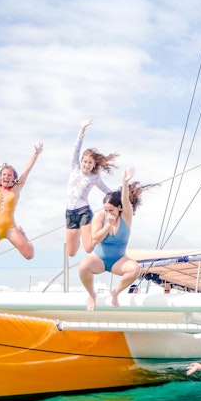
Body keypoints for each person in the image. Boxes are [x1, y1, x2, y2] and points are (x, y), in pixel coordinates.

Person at [78, 168, 145, 309]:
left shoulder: (126, 217)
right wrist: (108, 225)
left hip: (118, 260)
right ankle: (92, 295)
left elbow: (125, 200)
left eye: (111, 210)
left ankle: (115, 292)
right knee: (83, 267)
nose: (108, 213)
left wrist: (124, 182)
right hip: (99, 259)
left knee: (135, 269)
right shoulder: (100, 217)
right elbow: (94, 240)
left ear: (119, 208)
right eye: (106, 210)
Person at [0, 133, 43, 266]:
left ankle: (23, 235)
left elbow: (27, 170)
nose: (6, 177)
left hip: (10, 228)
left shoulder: (16, 189)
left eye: (9, 175)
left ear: (13, 178)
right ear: (0, 177)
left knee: (29, 255)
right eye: (4, 174)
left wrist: (36, 154)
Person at [65, 119, 118, 257]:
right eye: (85, 162)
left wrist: (123, 195)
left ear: (94, 165)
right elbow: (76, 149)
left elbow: (108, 191)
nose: (87, 165)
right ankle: (78, 235)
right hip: (70, 213)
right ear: (81, 161)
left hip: (84, 211)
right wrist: (82, 130)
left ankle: (99, 231)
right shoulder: (75, 168)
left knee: (88, 248)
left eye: (90, 163)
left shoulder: (94, 178)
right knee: (71, 253)